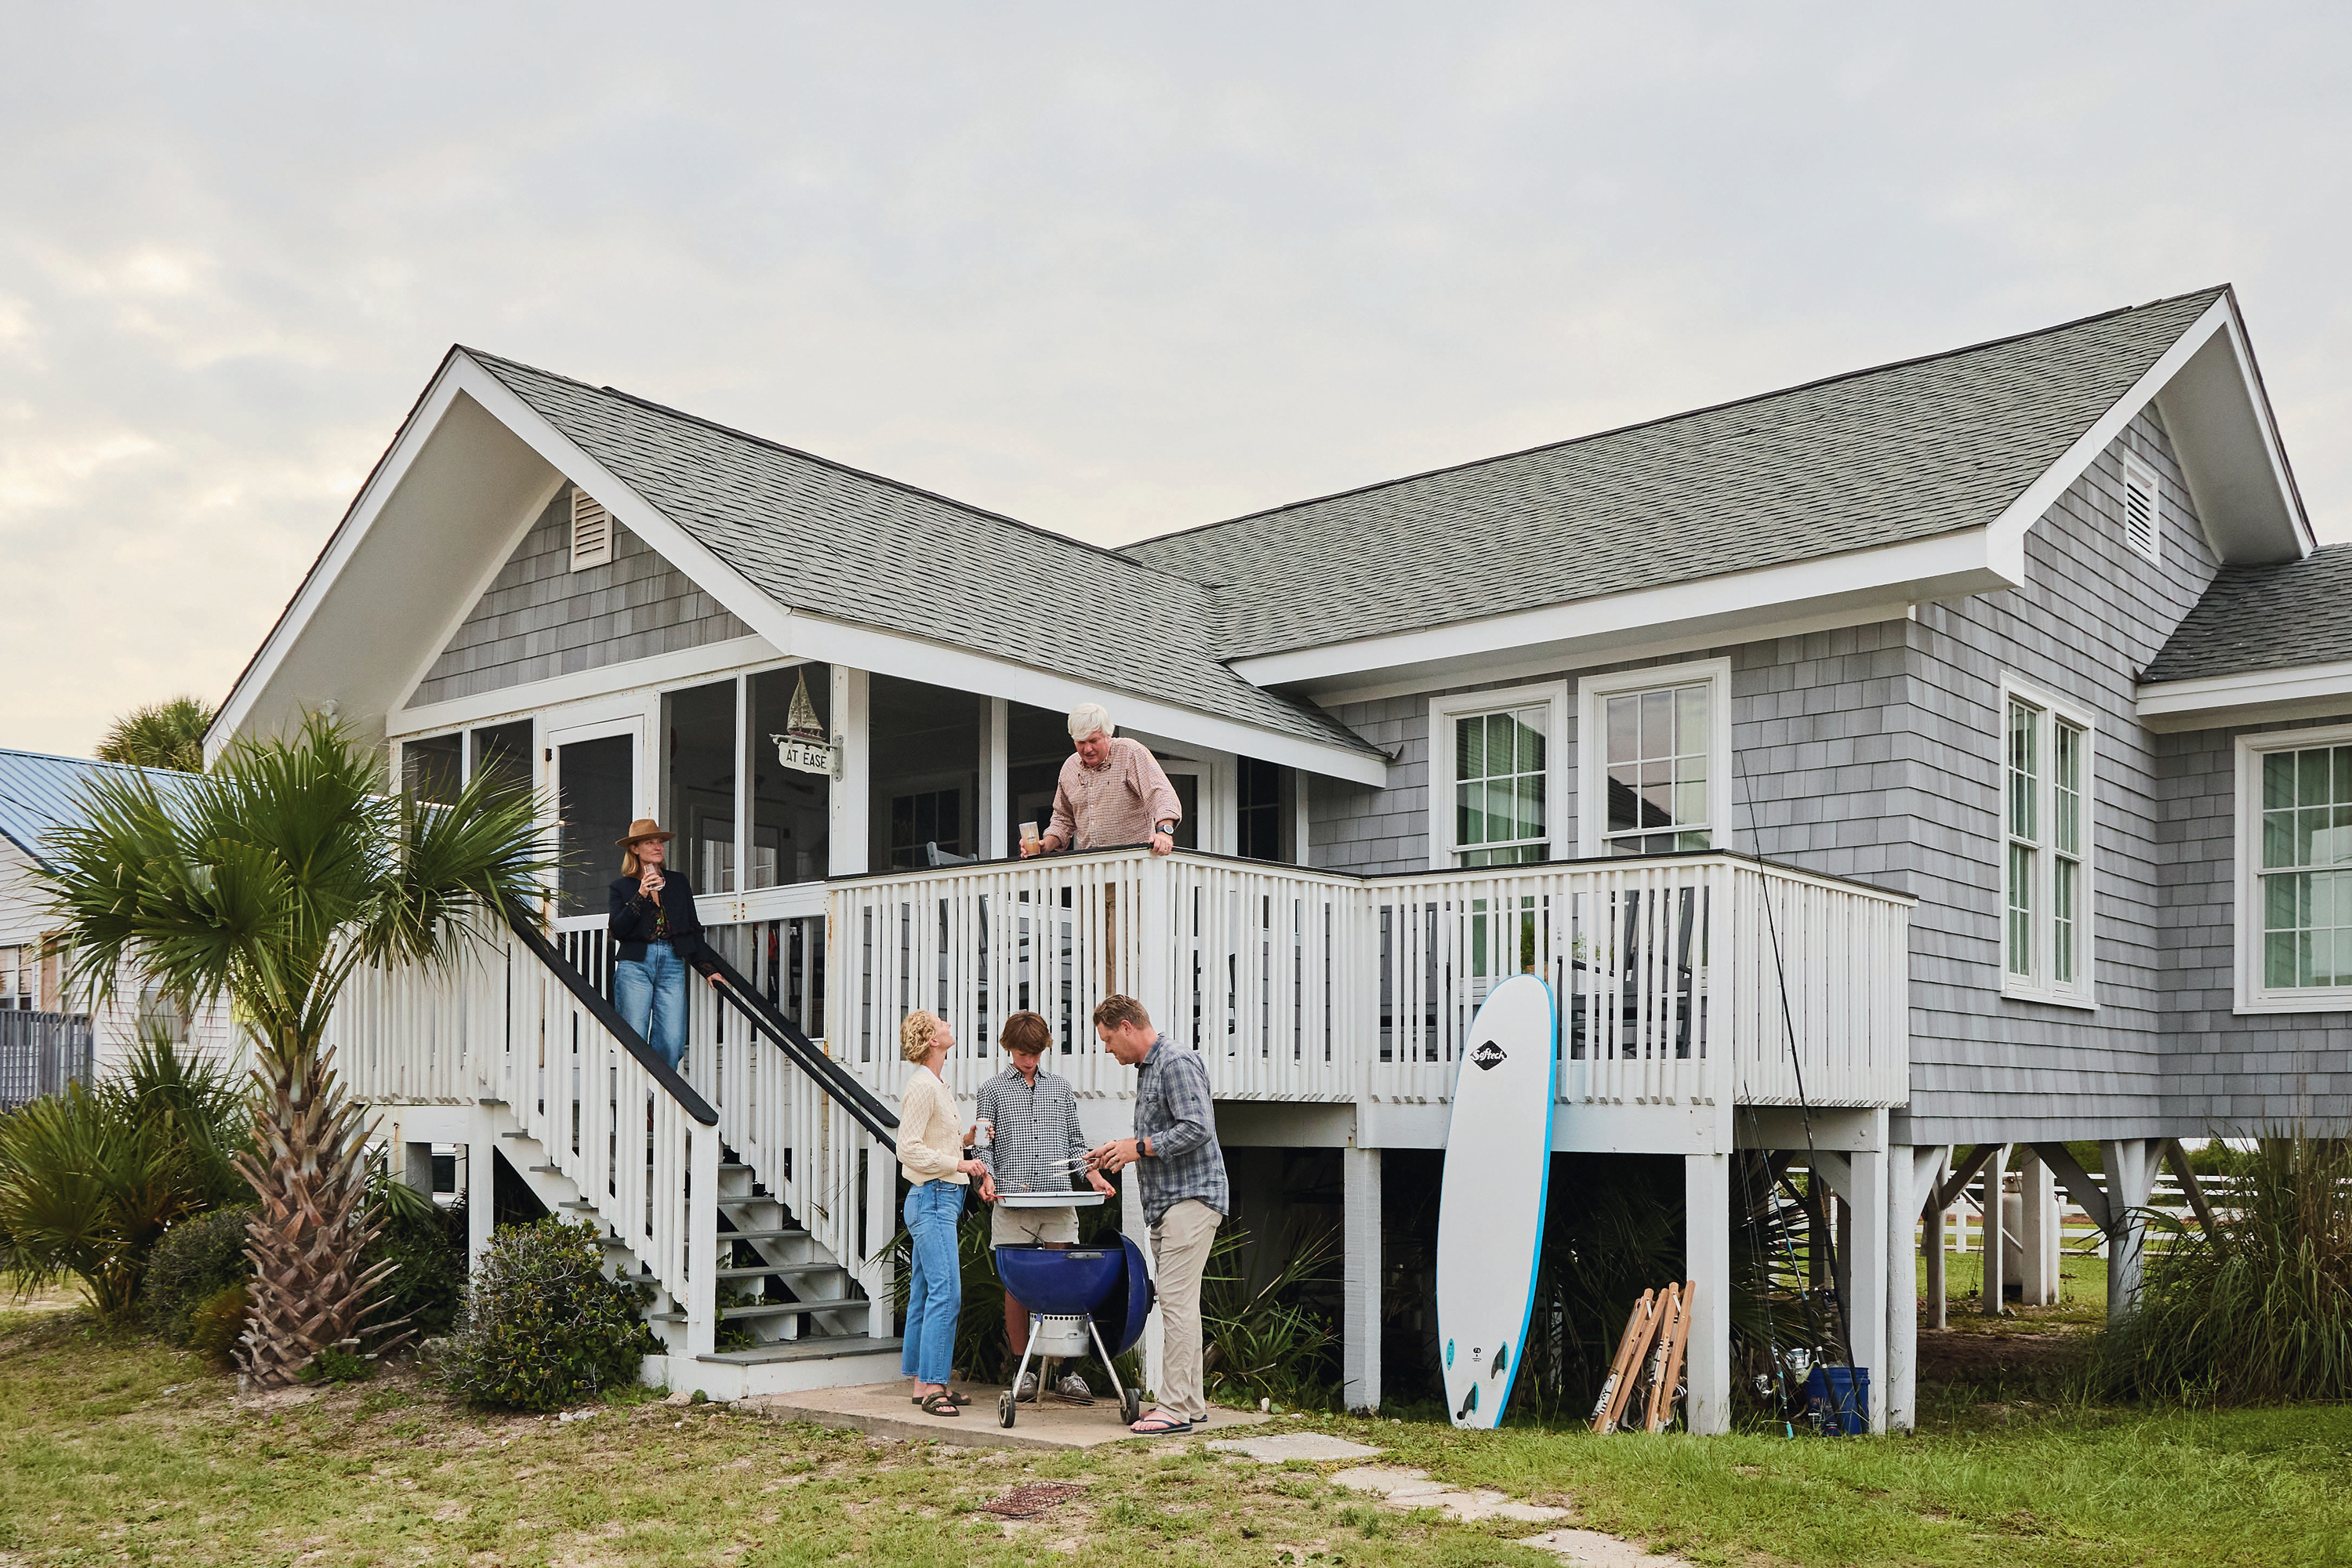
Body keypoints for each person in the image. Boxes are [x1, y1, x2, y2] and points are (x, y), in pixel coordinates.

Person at [1086, 993, 1228, 1435]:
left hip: (1192, 1199)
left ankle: (1172, 1410)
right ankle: (1191, 1403)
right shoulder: (1150, 1070)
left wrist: (1139, 1147)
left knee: (1176, 1303)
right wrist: (1118, 1152)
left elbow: (1198, 1126)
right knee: (1182, 1303)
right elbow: (1162, 1135)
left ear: (1127, 1027)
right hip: (1172, 1204)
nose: (1108, 1049)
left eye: (1109, 1040)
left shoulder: (1175, 1062)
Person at [975, 1010, 1116, 1402]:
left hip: (1057, 1201)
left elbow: (1074, 1145)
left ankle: (1067, 1373)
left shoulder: (1060, 1088)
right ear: (1008, 1048)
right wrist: (985, 1178)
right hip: (1012, 1201)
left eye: (1035, 1053)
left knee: (1064, 1280)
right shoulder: (992, 1090)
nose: (1029, 1060)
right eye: (1022, 1053)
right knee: (1017, 1288)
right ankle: (1024, 1372)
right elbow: (983, 1147)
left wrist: (1094, 1176)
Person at [897, 1009, 989, 1418]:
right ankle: (935, 1386)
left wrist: (963, 1142)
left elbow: (931, 1141)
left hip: (939, 1198)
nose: (948, 1024)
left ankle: (923, 1383)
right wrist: (960, 1165)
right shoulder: (922, 1087)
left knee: (925, 1292)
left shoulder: (936, 1084)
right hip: (933, 1198)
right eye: (941, 1023)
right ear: (932, 1039)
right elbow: (908, 1148)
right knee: (946, 1293)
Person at [608, 818, 716, 1071]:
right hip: (635, 965)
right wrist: (641, 894)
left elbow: (692, 926)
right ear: (634, 848)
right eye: (650, 842)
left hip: (671, 962)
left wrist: (708, 968)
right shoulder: (621, 887)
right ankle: (640, 1099)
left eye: (660, 842)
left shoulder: (677, 882)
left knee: (672, 1040)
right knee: (633, 1035)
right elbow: (619, 929)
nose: (658, 847)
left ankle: (657, 1098)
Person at [1018, 702, 1183, 858]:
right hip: (1090, 873)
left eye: (1093, 741)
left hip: (1135, 867)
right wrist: (1044, 845)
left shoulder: (1129, 753)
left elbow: (1161, 794)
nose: (1087, 749)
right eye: (1080, 742)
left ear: (1108, 734)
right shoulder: (1070, 768)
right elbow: (1063, 819)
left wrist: (1164, 832)